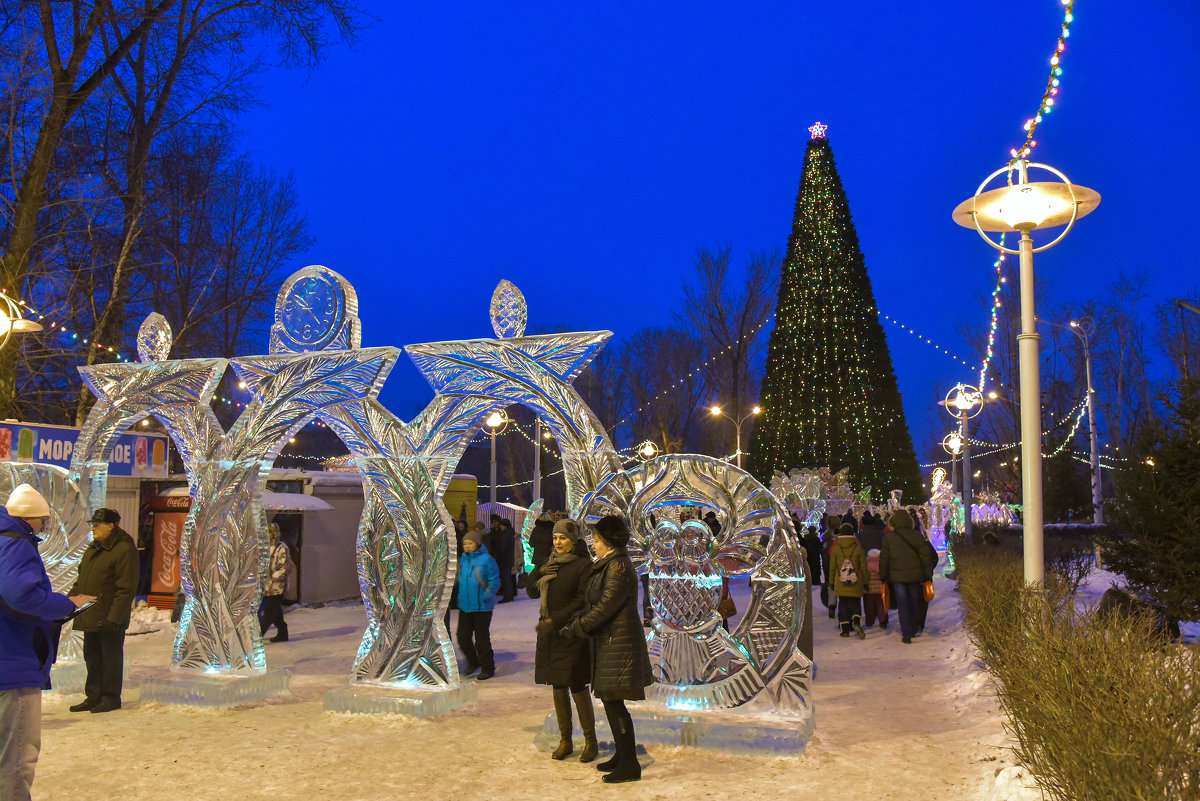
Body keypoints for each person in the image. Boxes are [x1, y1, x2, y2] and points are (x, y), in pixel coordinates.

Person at [0, 484, 94, 800]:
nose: (44, 527)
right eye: (43, 521)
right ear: (33, 519)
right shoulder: (17, 544)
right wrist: (67, 604)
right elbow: (21, 595)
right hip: (13, 666)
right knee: (16, 758)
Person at [562, 515, 653, 784]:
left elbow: (605, 607)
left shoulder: (619, 567)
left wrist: (577, 626)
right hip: (610, 641)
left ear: (609, 542)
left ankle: (629, 765)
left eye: (597, 540)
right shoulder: (610, 563)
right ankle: (623, 756)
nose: (594, 544)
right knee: (612, 701)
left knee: (615, 703)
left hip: (619, 643)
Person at [525, 518, 596, 762]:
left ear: (573, 540)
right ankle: (565, 740)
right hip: (550, 634)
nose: (558, 542)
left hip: (571, 633)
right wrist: (540, 570)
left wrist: (556, 621)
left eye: (563, 538)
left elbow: (581, 600)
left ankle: (590, 740)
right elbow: (531, 590)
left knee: (576, 685)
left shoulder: (583, 566)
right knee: (557, 685)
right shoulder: (550, 562)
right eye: (555, 538)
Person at [68, 507, 139, 713]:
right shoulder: (94, 547)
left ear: (111, 526)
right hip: (91, 613)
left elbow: (126, 588)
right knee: (92, 656)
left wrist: (114, 618)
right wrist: (69, 603)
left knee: (110, 658)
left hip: (109, 616)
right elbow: (82, 581)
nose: (93, 529)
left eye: (96, 525)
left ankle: (110, 697)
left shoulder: (124, 548)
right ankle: (93, 696)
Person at [880, 509, 936, 644]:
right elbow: (925, 556)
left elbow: (884, 559)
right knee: (914, 602)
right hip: (915, 576)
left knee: (902, 604)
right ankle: (913, 627)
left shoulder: (889, 538)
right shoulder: (916, 536)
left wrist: (883, 576)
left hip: (897, 577)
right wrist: (928, 574)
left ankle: (906, 633)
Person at [456, 529, 500, 680]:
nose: (467, 546)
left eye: (470, 543)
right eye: (465, 544)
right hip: (465, 606)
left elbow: (495, 580)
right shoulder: (462, 559)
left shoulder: (486, 560)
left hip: (482, 606)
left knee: (481, 639)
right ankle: (473, 662)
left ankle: (488, 668)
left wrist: (486, 595)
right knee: (462, 637)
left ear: (477, 544)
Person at [829, 523, 869, 639]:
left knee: (843, 606)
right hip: (855, 582)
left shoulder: (836, 548)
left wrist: (831, 582)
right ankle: (856, 622)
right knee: (855, 603)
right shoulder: (858, 548)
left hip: (841, 582)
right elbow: (863, 567)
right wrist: (866, 582)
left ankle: (845, 630)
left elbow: (832, 567)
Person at [260, 523, 291, 642]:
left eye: (269, 532)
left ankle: (257, 637)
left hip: (278, 586)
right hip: (266, 586)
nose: (267, 535)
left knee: (269, 612)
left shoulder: (282, 547)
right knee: (275, 611)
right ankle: (283, 633)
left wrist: (274, 576)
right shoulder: (264, 547)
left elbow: (286, 567)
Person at [863, 548, 888, 630]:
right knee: (881, 606)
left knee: (869, 606)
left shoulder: (865, 563)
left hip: (868, 590)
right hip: (880, 589)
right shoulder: (882, 563)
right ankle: (883, 621)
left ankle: (869, 621)